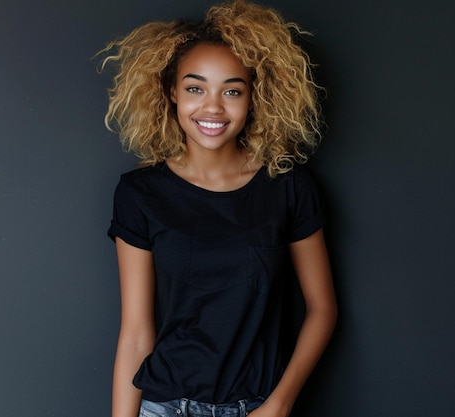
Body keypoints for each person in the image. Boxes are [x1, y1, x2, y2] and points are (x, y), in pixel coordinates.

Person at [98, 1, 337, 416]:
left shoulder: (288, 187)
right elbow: (136, 333)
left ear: (253, 96)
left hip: (257, 406)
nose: (212, 107)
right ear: (172, 91)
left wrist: (278, 405)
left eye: (231, 90)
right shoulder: (140, 195)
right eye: (195, 88)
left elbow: (323, 309)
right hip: (164, 406)